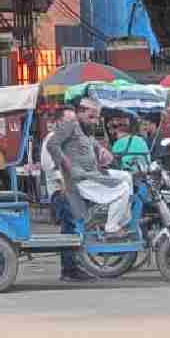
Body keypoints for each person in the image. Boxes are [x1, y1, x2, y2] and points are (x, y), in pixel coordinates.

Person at [46, 99, 133, 240]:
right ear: (80, 113)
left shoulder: (85, 131)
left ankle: (123, 217)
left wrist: (102, 151)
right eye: (91, 117)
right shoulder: (70, 126)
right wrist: (66, 162)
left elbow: (92, 145)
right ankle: (111, 227)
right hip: (82, 178)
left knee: (127, 177)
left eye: (97, 118)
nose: (95, 121)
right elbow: (52, 144)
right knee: (122, 188)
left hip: (94, 174)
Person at [41, 110, 94, 282]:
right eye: (69, 120)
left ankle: (74, 265)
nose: (74, 123)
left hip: (74, 189)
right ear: (59, 122)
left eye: (74, 120)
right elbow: (48, 166)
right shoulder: (51, 139)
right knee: (69, 228)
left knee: (77, 227)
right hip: (61, 191)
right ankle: (69, 269)